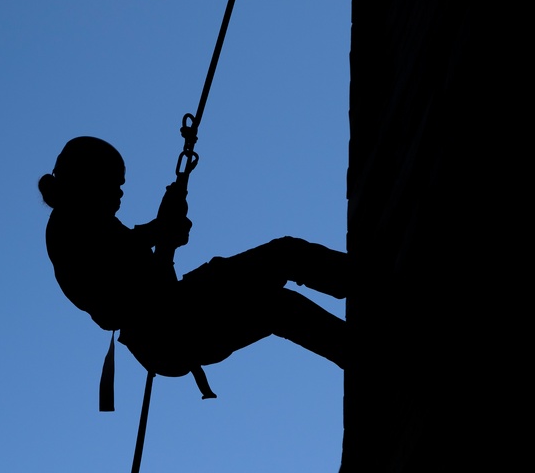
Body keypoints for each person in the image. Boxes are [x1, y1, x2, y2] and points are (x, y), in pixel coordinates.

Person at [38, 136, 348, 398]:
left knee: (282, 279)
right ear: (89, 180)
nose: (120, 193)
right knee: (280, 284)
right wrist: (159, 230)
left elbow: (150, 277)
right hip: (171, 329)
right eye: (114, 183)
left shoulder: (93, 224)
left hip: (173, 323)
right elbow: (116, 276)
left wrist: (165, 237)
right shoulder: (69, 227)